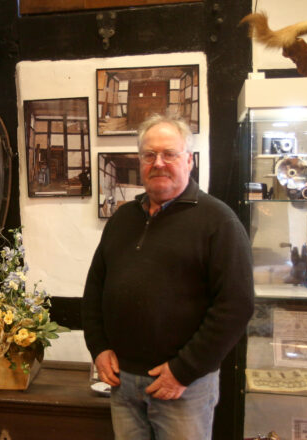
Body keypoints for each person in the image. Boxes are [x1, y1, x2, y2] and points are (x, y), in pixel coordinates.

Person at [82, 114, 254, 440]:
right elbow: (95, 290)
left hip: (183, 388)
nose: (158, 163)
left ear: (189, 160)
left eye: (169, 154)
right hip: (123, 382)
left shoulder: (218, 221)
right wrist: (99, 348)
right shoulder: (122, 219)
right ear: (140, 162)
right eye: (149, 155)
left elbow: (236, 306)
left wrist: (183, 370)